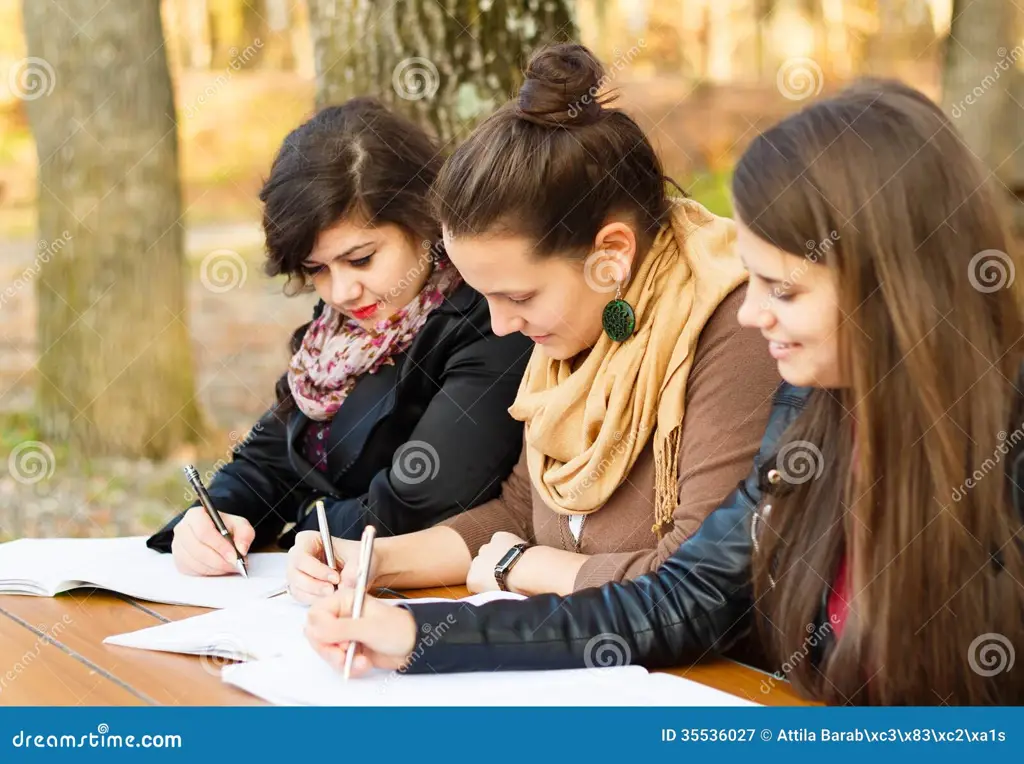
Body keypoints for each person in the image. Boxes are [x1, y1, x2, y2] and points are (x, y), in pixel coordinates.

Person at [302, 79, 1024, 705]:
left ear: (890, 284)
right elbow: (689, 595)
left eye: (782, 289)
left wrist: (508, 580)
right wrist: (432, 633)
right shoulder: (820, 409)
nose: (751, 310)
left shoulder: (989, 440)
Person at [285, 44, 779, 602]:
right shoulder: (577, 323)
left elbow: (701, 581)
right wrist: (372, 560)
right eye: (486, 297)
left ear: (610, 254)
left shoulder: (735, 330)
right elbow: (521, 510)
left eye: (517, 295)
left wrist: (527, 568)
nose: (500, 326)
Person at [147, 98, 533, 575]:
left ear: (423, 220)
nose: (341, 291)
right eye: (316, 269)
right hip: (324, 590)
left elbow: (420, 501)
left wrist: (307, 521)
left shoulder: (487, 320)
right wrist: (212, 519)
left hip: (428, 599)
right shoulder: (345, 329)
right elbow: (268, 461)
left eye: (361, 258)